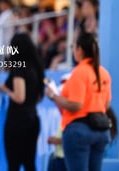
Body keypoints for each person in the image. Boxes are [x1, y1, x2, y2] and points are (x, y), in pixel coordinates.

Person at [45, 32, 112, 171]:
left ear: (80, 50)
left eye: (73, 47)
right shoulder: (103, 72)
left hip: (79, 131)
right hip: (101, 131)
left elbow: (76, 105)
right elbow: (106, 105)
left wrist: (53, 96)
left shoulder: (80, 72)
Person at [0, 32, 45, 171]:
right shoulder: (37, 69)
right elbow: (39, 97)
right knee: (29, 163)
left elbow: (20, 97)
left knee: (14, 164)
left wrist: (5, 88)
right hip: (33, 119)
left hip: (17, 121)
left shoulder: (19, 68)